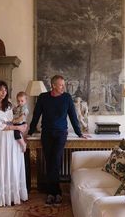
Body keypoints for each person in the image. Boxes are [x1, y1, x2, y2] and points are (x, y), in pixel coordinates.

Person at [28, 75, 87, 206]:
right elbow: (36, 115)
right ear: (53, 85)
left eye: (63, 85)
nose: (63, 87)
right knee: (49, 162)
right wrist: (30, 131)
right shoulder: (43, 97)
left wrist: (79, 133)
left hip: (61, 134)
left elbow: (73, 116)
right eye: (61, 85)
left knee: (55, 160)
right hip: (47, 133)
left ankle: (56, 192)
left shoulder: (66, 98)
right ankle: (52, 193)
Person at [0, 80, 28, 207]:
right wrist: (17, 127)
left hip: (15, 138)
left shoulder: (9, 104)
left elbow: (15, 119)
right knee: (5, 165)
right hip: (4, 139)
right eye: (1, 90)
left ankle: (16, 195)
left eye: (5, 90)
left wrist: (22, 125)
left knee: (15, 165)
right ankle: (4, 197)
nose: (4, 92)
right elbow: (1, 126)